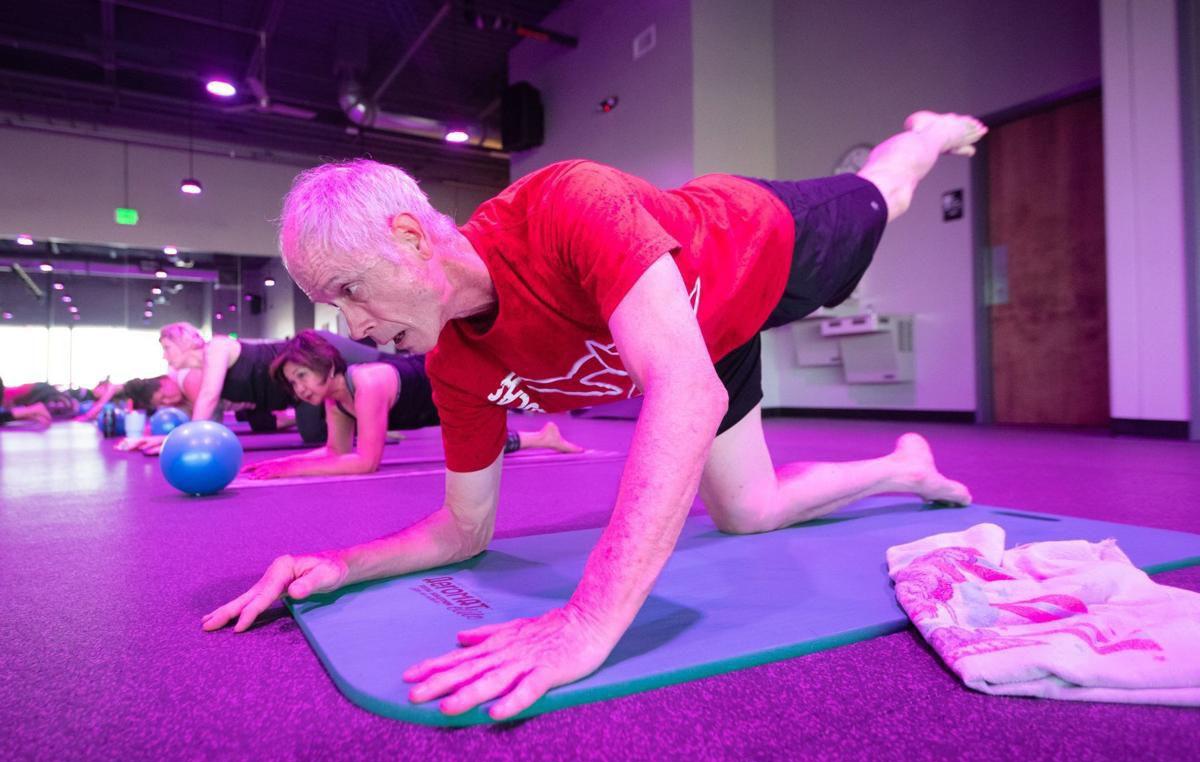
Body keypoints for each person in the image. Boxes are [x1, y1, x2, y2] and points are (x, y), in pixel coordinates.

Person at [204, 110, 985, 720]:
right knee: (748, 512)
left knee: (895, 190)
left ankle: (923, 136)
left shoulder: (566, 205)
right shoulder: (454, 364)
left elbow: (682, 390)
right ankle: (903, 467)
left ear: (410, 237)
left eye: (347, 289)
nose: (348, 327)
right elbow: (462, 529)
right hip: (708, 345)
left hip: (764, 247)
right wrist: (346, 562)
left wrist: (587, 619)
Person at [239, 329, 582, 479]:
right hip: (432, 409)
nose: (299, 389)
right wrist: (282, 463)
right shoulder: (336, 399)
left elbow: (365, 463)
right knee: (478, 446)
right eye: (293, 382)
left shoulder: (367, 383)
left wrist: (291, 470)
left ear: (328, 367)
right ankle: (544, 437)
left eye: (301, 375)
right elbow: (334, 453)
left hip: (455, 379)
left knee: (483, 441)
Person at [119, 322, 380, 454]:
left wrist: (181, 441)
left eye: (167, 347)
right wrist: (165, 440)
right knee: (313, 435)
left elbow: (208, 400)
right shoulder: (201, 376)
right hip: (300, 394)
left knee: (391, 367)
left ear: (188, 340)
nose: (165, 356)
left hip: (316, 353)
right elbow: (207, 420)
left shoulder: (217, 347)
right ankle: (375, 426)